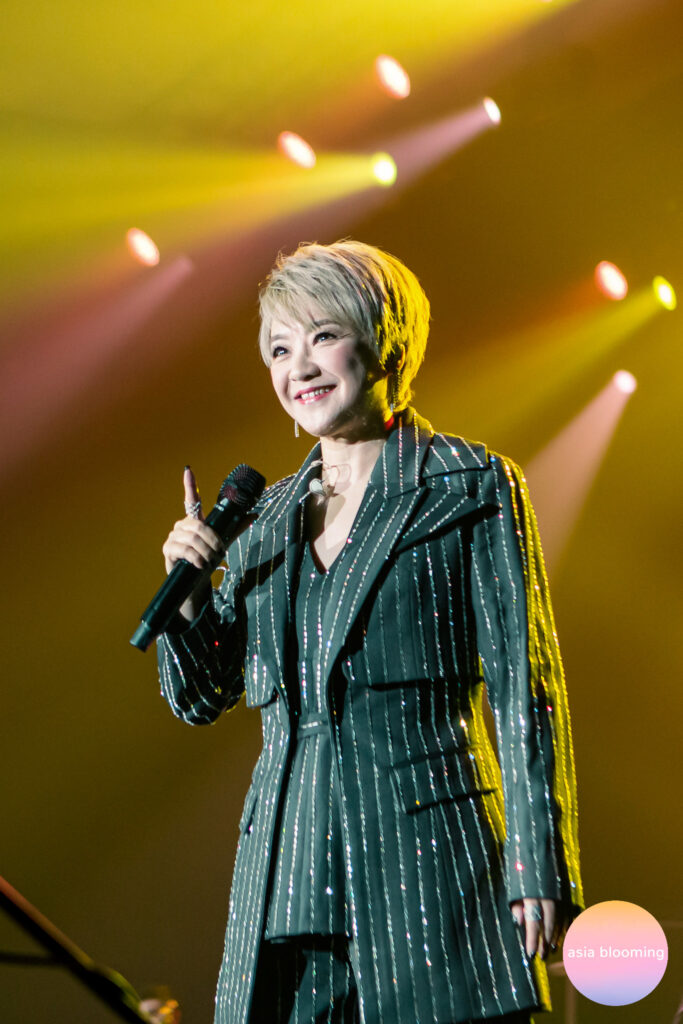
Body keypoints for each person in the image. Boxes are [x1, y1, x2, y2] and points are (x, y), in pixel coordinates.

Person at [156, 240, 583, 1024]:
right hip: (286, 874)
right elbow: (203, 696)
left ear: (384, 340)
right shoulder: (263, 520)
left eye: (322, 335)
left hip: (431, 871)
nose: (299, 366)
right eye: (279, 349)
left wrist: (538, 864)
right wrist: (187, 597)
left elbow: (526, 688)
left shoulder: (468, 485)